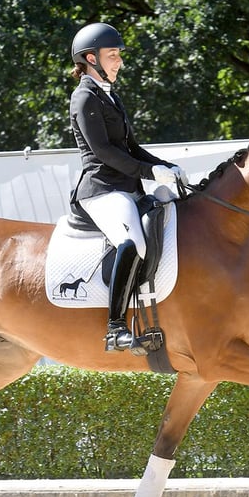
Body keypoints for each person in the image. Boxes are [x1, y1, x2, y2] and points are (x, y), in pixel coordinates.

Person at [69, 22, 188, 353]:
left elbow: (132, 149)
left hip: (126, 187)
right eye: (112, 55)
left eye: (119, 54)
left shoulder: (111, 97)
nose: (119, 61)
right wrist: (150, 172)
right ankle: (115, 327)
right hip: (102, 190)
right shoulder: (84, 98)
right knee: (132, 241)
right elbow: (105, 153)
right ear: (91, 58)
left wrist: (164, 168)